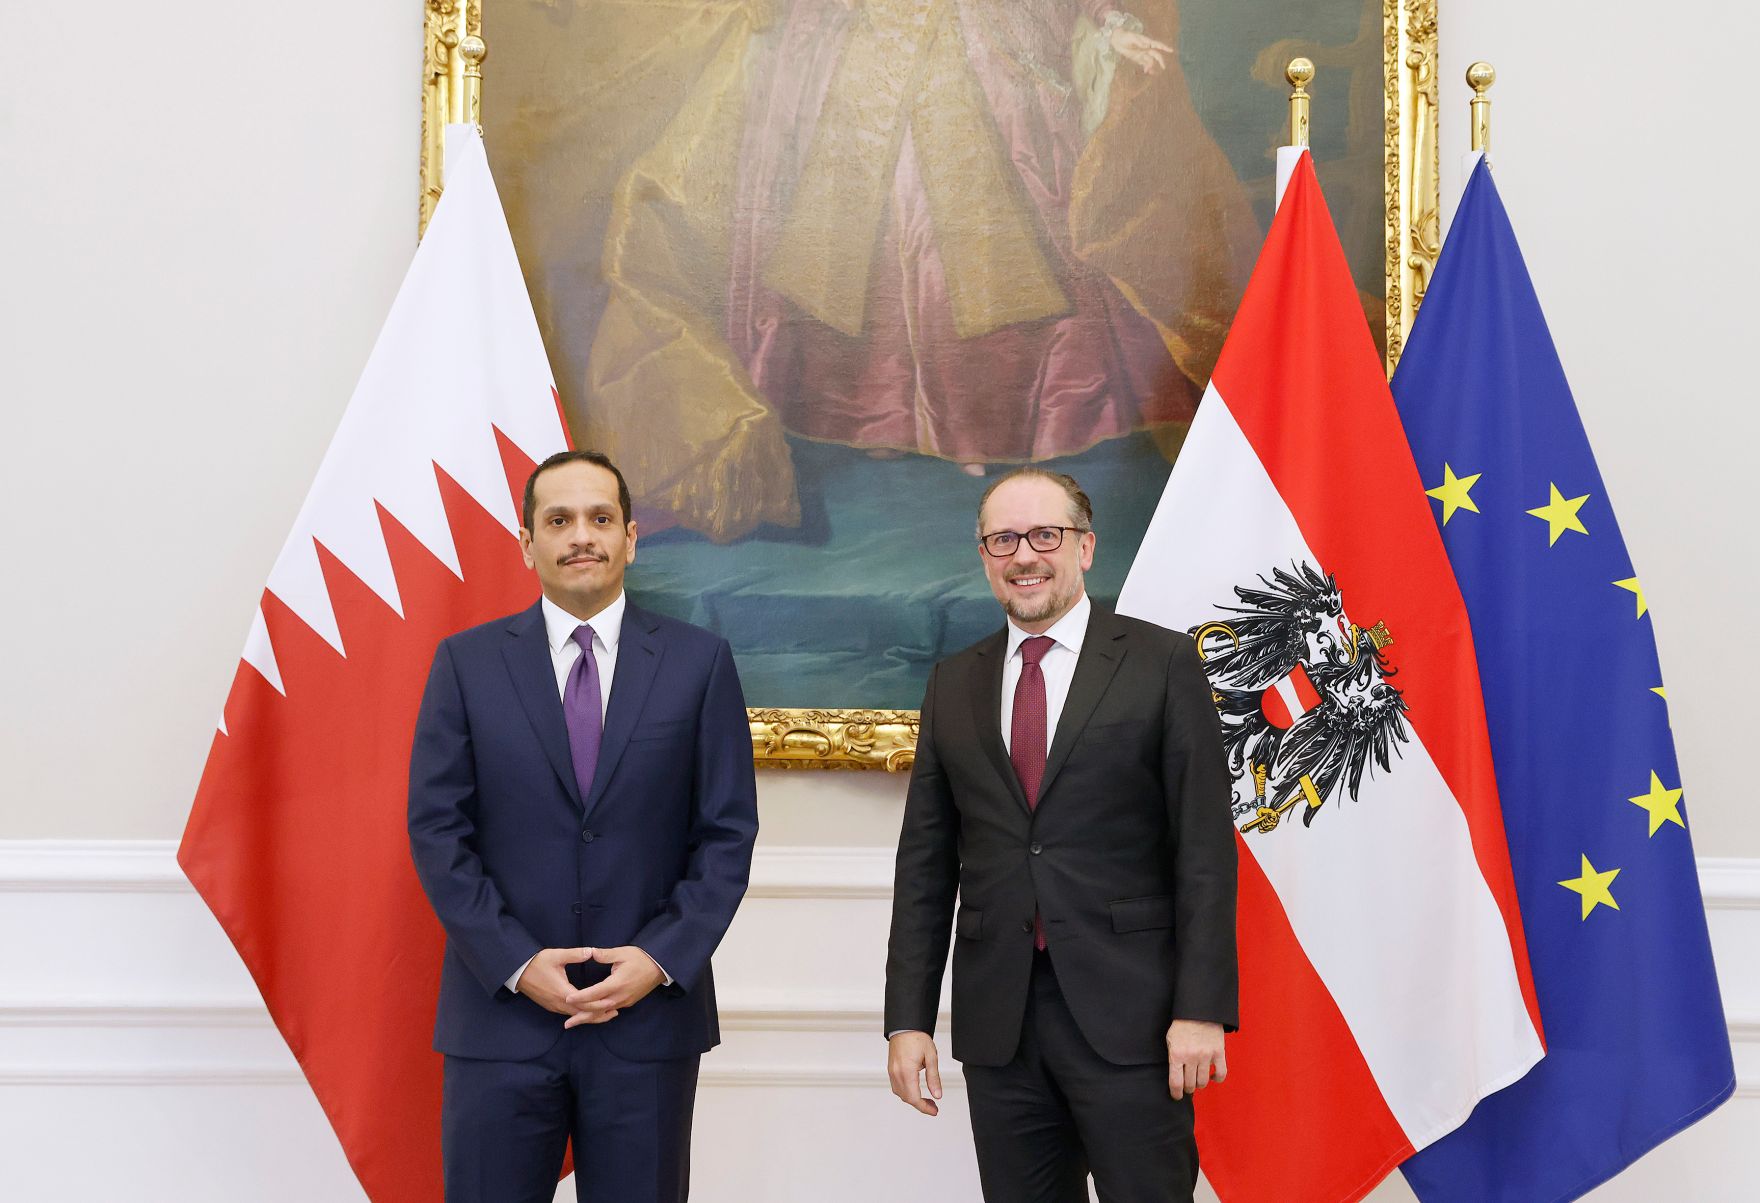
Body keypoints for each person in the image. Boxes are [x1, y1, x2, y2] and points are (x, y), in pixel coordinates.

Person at [408, 449, 758, 1203]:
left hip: (648, 1024)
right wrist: (516, 961)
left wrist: (658, 959)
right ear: (526, 542)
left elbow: (727, 836)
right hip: (499, 1019)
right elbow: (439, 832)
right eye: (558, 520)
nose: (581, 536)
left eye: (600, 518)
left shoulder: (701, 664)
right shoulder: (465, 665)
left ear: (631, 537)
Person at [883, 466, 1237, 1202]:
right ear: (984, 556)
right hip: (1000, 1022)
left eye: (1046, 534)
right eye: (1003, 539)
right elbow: (925, 864)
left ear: (1085, 546)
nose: (1024, 555)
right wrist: (907, 1019)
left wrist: (1200, 1008)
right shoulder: (954, 681)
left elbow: (1203, 851)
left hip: (1132, 1018)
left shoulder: (1162, 663)